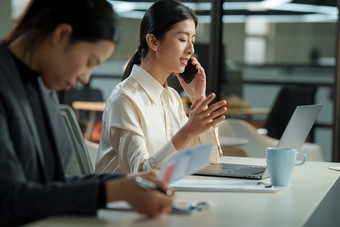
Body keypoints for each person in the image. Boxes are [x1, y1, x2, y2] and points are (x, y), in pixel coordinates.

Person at [0, 0, 173, 226]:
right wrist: (109, 192)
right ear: (61, 35)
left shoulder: (43, 83)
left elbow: (52, 184)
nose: (85, 77)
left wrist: (128, 181)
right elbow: (8, 199)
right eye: (90, 62)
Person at [96, 0, 227, 174]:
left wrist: (198, 99)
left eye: (192, 40)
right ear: (153, 41)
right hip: (128, 199)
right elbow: (141, 174)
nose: (190, 49)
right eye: (182, 39)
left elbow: (210, 161)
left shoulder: (172, 98)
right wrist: (187, 132)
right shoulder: (124, 98)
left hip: (165, 194)